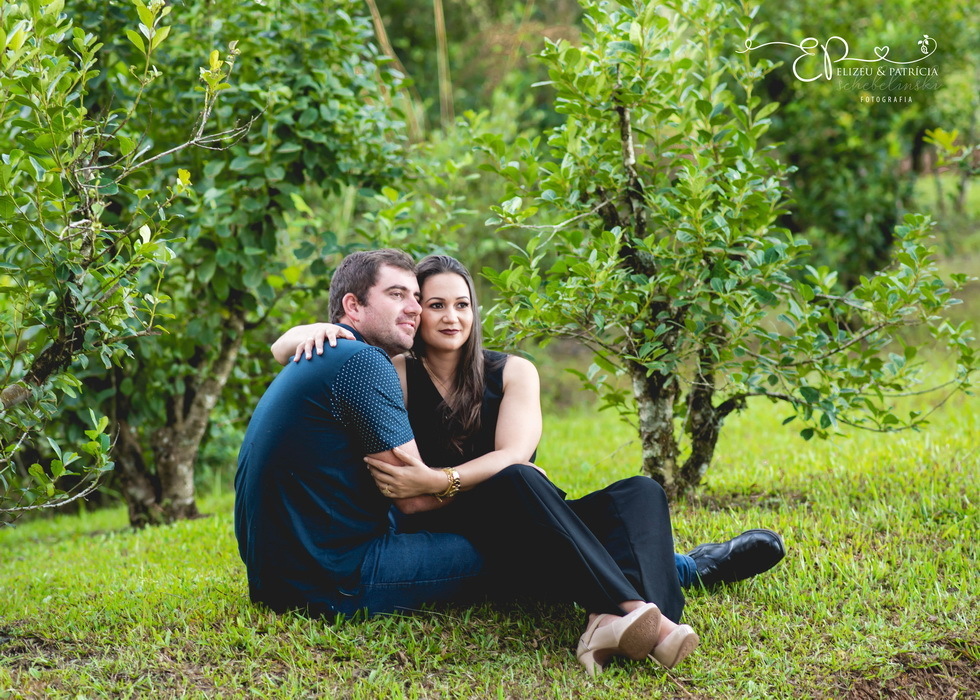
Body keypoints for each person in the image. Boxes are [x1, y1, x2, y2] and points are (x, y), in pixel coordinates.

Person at [270, 254, 786, 673]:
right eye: (435, 305)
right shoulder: (395, 371)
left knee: (640, 493)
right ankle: (685, 577)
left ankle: (632, 620)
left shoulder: (513, 371)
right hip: (446, 524)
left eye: (463, 305)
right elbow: (316, 351)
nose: (451, 317)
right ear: (416, 313)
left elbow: (513, 454)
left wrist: (439, 478)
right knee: (519, 480)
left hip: (524, 507)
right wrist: (302, 332)